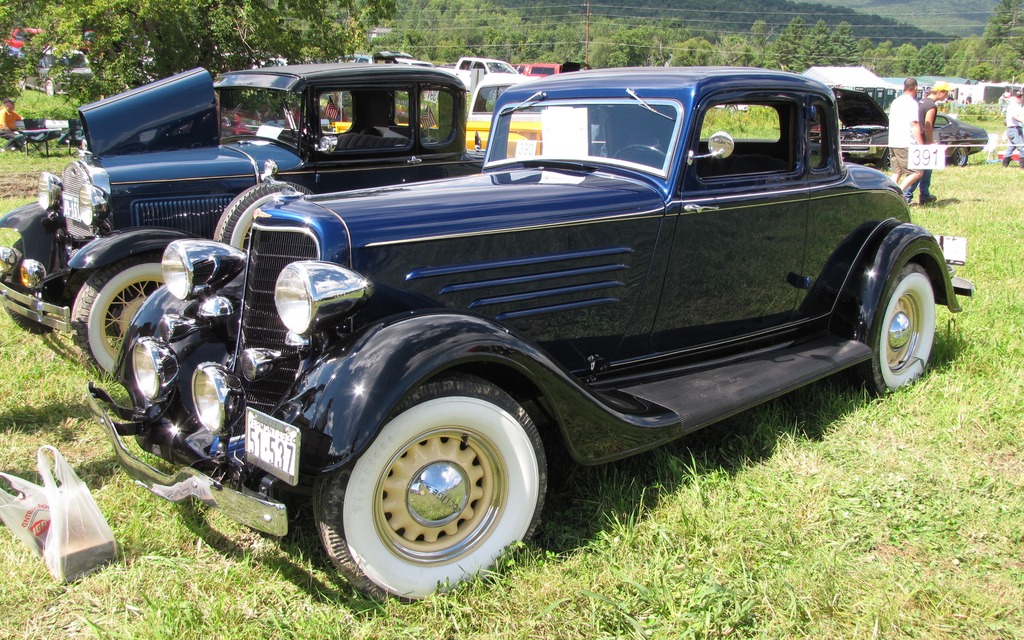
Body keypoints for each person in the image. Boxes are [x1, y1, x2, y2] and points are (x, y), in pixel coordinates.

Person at [910, 81, 951, 204]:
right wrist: (930, 143)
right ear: (940, 92)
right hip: (924, 140)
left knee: (923, 169)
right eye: (946, 93)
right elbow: (928, 125)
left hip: (917, 139)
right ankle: (912, 195)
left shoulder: (921, 102)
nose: (946, 96)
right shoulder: (931, 105)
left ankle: (924, 195)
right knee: (922, 170)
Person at [888, 78, 924, 202]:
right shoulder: (912, 103)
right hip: (906, 142)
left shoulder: (895, 101)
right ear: (916, 88)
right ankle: (897, 194)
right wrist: (920, 144)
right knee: (917, 172)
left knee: (896, 173)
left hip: (893, 141)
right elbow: (914, 125)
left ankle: (887, 195)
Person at [1002, 92, 1024, 169]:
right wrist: (1022, 121)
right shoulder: (1012, 106)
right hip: (1014, 128)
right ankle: (1022, 165)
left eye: (1021, 97)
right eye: (1019, 97)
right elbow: (1014, 116)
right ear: (1016, 98)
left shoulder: (1019, 106)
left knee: (1012, 146)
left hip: (1017, 128)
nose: (1021, 99)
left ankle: (1005, 162)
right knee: (1021, 146)